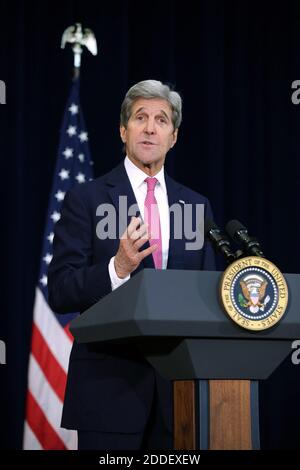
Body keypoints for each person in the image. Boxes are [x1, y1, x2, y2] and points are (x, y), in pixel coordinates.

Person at [48, 79, 215, 450]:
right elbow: (60, 288)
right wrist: (117, 268)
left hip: (181, 394)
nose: (151, 127)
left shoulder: (196, 207)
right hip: (110, 388)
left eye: (161, 119)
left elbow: (206, 295)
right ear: (123, 130)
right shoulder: (86, 198)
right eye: (141, 117)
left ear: (174, 136)